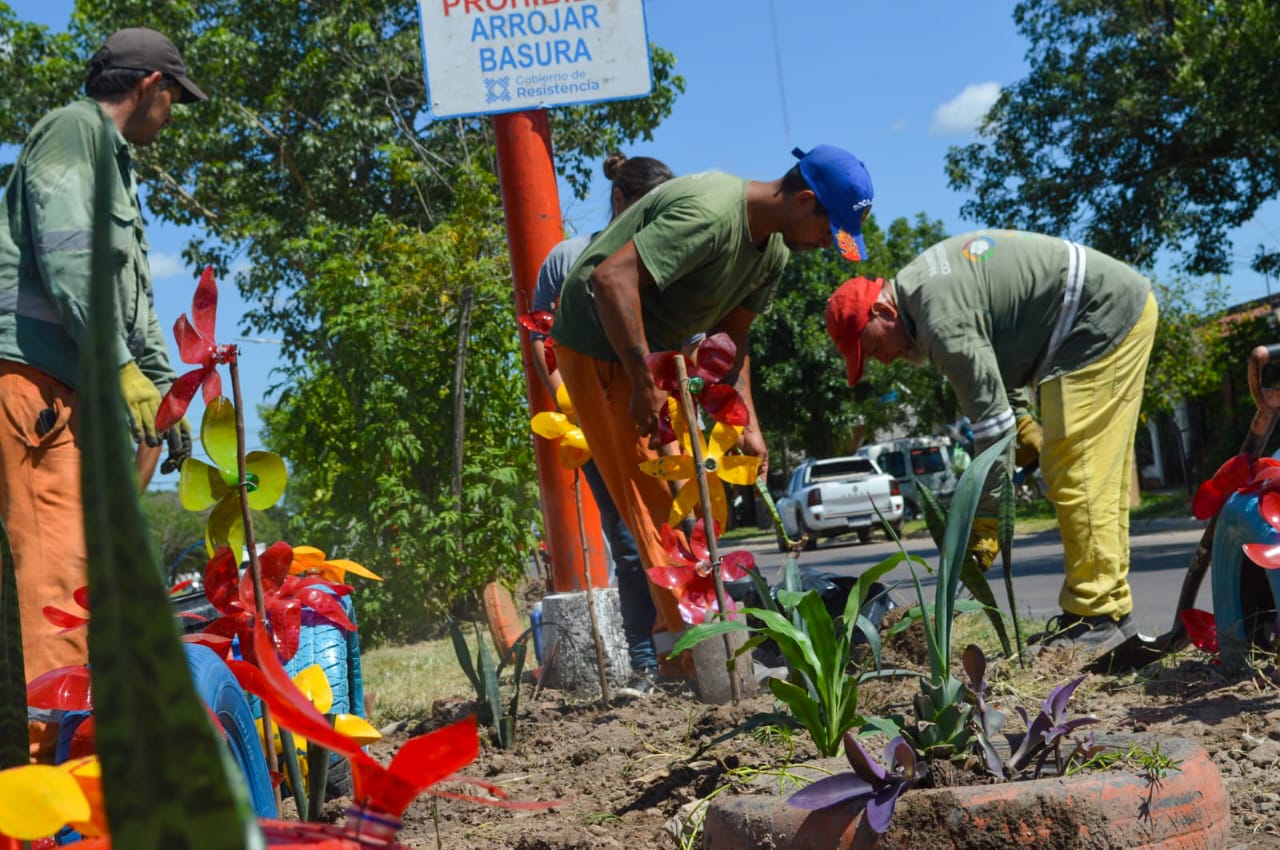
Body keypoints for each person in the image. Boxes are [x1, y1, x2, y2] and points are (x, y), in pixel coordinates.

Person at [550, 144, 874, 650]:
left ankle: (686, 647)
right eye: (827, 233)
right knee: (652, 510)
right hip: (598, 343)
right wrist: (642, 385)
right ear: (805, 200)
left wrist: (746, 424)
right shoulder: (710, 214)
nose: (824, 246)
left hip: (651, 359)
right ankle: (685, 657)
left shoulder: (774, 248)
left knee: (680, 509)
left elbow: (733, 338)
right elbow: (609, 279)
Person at [0, 27, 206, 760]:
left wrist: (160, 387)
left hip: (74, 386)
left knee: (90, 570)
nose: (174, 115)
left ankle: (89, 749)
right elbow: (67, 257)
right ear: (151, 85)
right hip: (33, 384)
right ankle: (50, 779)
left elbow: (131, 296)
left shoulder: (114, 165)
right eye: (176, 99)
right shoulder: (70, 133)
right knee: (56, 581)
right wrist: (119, 366)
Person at [824, 230, 1158, 657]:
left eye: (873, 347)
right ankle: (1110, 612)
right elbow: (999, 360)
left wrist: (985, 520)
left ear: (883, 309)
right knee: (1085, 474)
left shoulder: (939, 321)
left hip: (1098, 317)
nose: (883, 360)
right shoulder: (925, 292)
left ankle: (1096, 617)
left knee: (1077, 472)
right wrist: (1025, 427)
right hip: (1092, 317)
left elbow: (991, 430)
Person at [529, 152, 674, 694]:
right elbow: (542, 339)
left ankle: (689, 647)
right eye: (647, 206)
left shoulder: (666, 253)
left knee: (679, 530)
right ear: (620, 200)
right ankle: (646, 662)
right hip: (596, 419)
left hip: (656, 414)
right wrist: (571, 403)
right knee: (629, 537)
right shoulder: (568, 259)